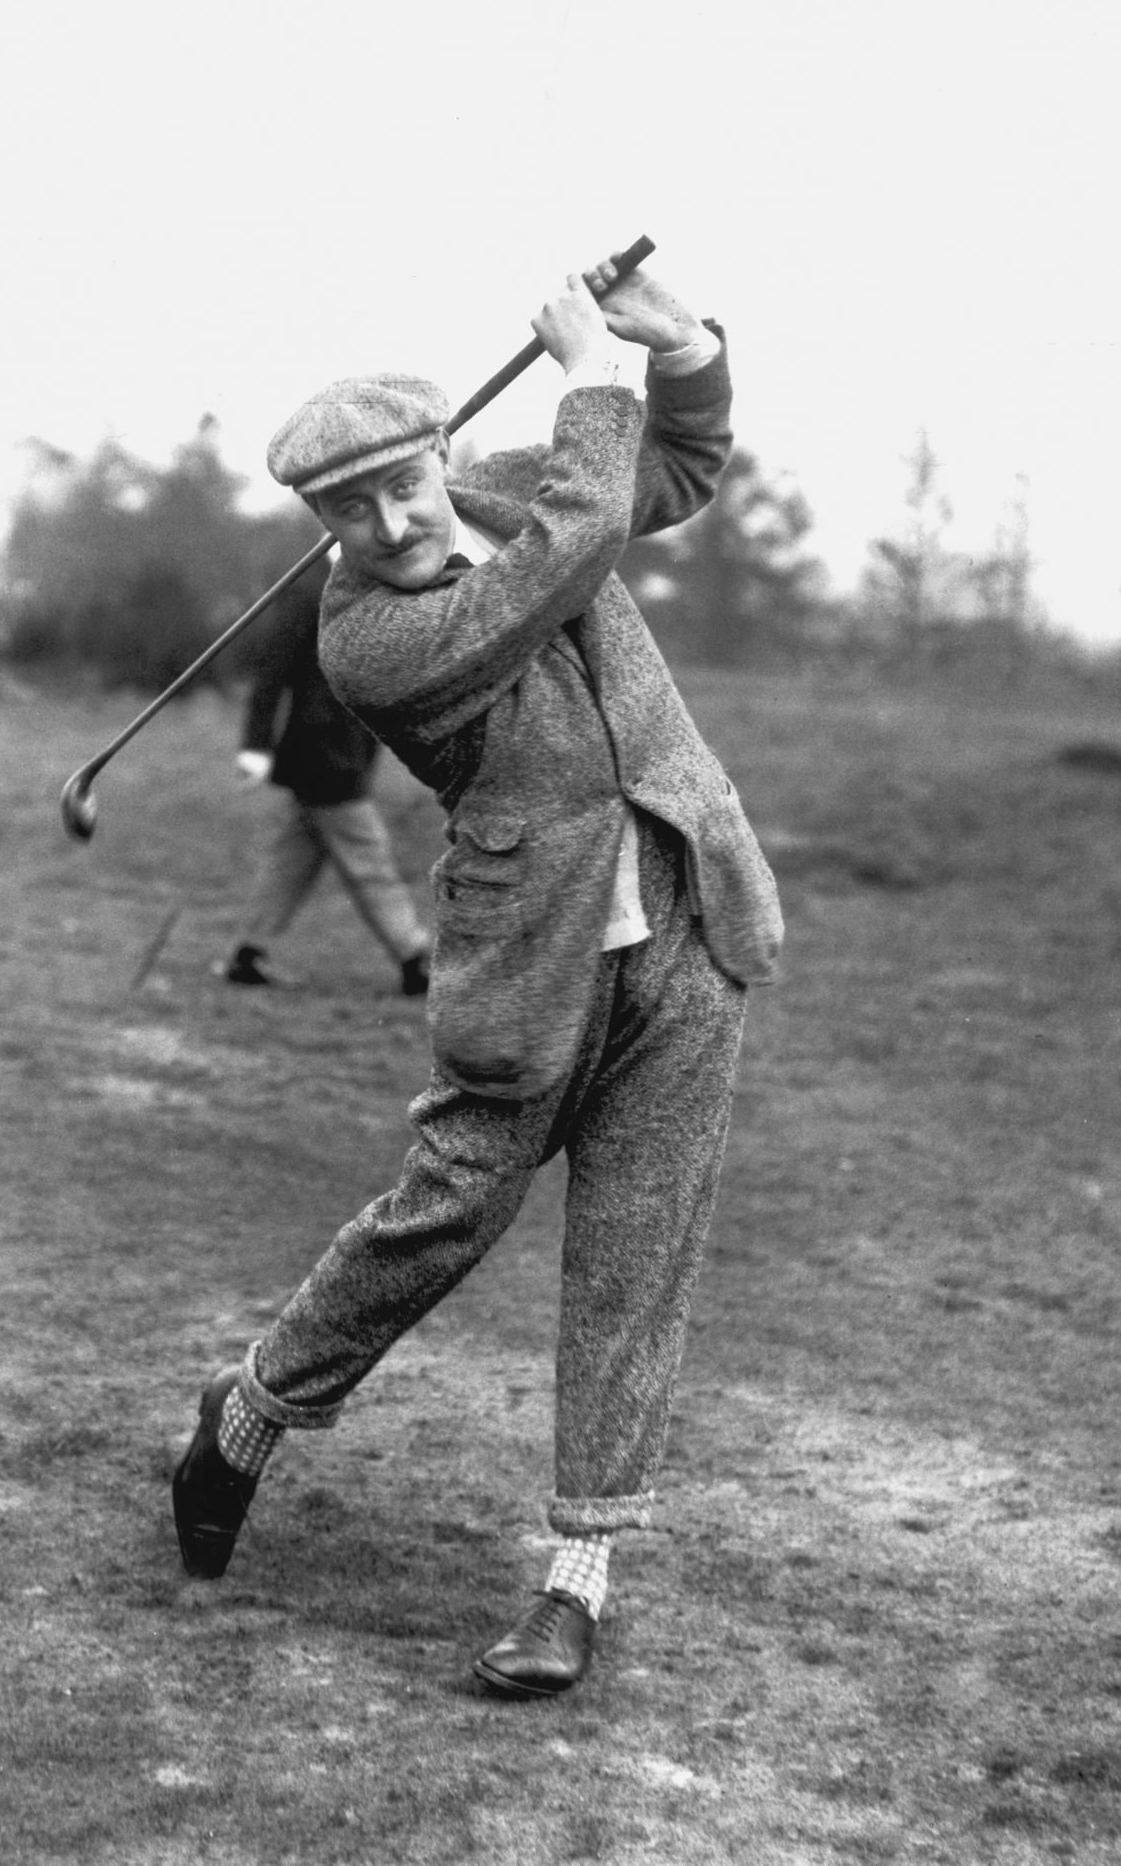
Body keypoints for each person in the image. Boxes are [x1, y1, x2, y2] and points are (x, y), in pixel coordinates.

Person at [170, 256, 783, 1698]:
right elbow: (562, 560)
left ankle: (576, 1579)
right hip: (529, 965)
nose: (395, 520)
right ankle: (250, 1411)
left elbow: (673, 464)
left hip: (687, 918)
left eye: (411, 481)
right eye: (353, 506)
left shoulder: (511, 490)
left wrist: (678, 348)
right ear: (322, 523)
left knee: (636, 1256)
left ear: (446, 454)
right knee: (434, 1223)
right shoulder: (370, 639)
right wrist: (588, 388)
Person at [218, 559, 432, 997]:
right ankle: (415, 959)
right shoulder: (308, 586)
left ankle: (248, 952)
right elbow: (273, 670)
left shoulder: (378, 576)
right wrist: (255, 746)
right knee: (369, 859)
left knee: (294, 857)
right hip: (323, 753)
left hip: (348, 748)